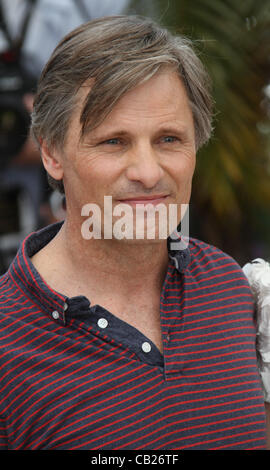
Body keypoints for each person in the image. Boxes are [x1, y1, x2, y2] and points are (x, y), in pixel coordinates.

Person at [0, 15, 268, 450]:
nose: (147, 172)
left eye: (168, 139)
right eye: (113, 141)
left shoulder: (230, 287)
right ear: (51, 153)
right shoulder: (8, 341)